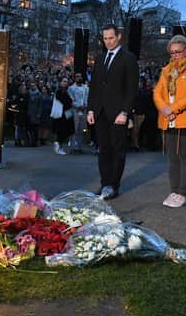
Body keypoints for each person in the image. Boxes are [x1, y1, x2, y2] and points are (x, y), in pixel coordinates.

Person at [87, 24, 139, 199]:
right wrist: (91, 110)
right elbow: (94, 87)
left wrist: (125, 112)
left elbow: (132, 89)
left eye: (111, 38)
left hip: (118, 114)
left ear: (119, 37)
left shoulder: (128, 59)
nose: (108, 42)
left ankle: (113, 186)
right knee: (103, 150)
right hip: (100, 112)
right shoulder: (100, 59)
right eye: (105, 38)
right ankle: (105, 184)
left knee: (118, 150)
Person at [153, 35, 186, 208]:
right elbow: (158, 92)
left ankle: (182, 192)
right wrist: (164, 108)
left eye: (178, 52)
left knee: (185, 158)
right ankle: (174, 191)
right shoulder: (167, 70)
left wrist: (173, 109)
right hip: (168, 119)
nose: (175, 55)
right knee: (172, 158)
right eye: (172, 52)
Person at [52, 77, 75, 155]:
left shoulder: (67, 92)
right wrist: (70, 100)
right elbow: (66, 102)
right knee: (61, 131)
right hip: (61, 115)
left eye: (67, 81)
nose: (66, 83)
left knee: (68, 131)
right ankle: (58, 144)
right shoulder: (59, 92)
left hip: (67, 114)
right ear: (60, 82)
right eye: (64, 81)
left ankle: (59, 145)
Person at [67, 72, 89, 153]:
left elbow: (87, 98)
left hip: (83, 111)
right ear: (74, 78)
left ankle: (79, 147)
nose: (79, 78)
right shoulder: (71, 88)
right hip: (75, 111)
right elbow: (70, 99)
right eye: (77, 76)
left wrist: (85, 106)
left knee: (82, 130)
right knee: (74, 130)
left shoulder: (86, 88)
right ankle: (73, 147)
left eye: (80, 76)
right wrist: (77, 106)